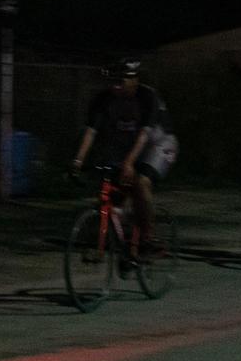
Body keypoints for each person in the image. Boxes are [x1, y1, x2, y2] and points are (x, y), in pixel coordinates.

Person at [71, 57, 177, 257]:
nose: (116, 87)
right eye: (113, 82)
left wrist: (129, 163)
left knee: (141, 182)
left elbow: (145, 135)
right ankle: (123, 230)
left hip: (159, 143)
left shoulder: (148, 97)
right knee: (113, 188)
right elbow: (91, 132)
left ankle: (148, 238)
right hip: (130, 144)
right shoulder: (104, 99)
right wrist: (78, 162)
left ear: (134, 80)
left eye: (121, 82)